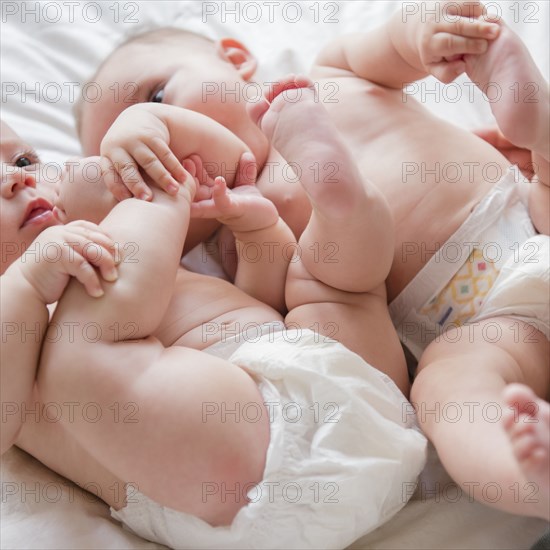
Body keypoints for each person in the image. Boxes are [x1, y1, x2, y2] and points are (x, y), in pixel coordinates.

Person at [76, 0, 549, 519]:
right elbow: (279, 329)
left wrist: (428, 34)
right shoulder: (234, 239)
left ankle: (533, 118)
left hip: (530, 212)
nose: (153, 142)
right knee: (447, 394)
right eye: (130, 168)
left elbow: (393, 43)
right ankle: (522, 467)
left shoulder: (331, 74)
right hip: (482, 325)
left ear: (235, 60)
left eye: (157, 98)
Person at [1, 77, 426, 549]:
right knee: (74, 359)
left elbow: (233, 165)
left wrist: (150, 127)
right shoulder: (77, 265)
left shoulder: (108, 228)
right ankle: (335, 222)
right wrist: (23, 282)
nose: (15, 178)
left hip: (362, 401)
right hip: (230, 479)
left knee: (323, 283)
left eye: (23, 160)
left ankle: (343, 206)